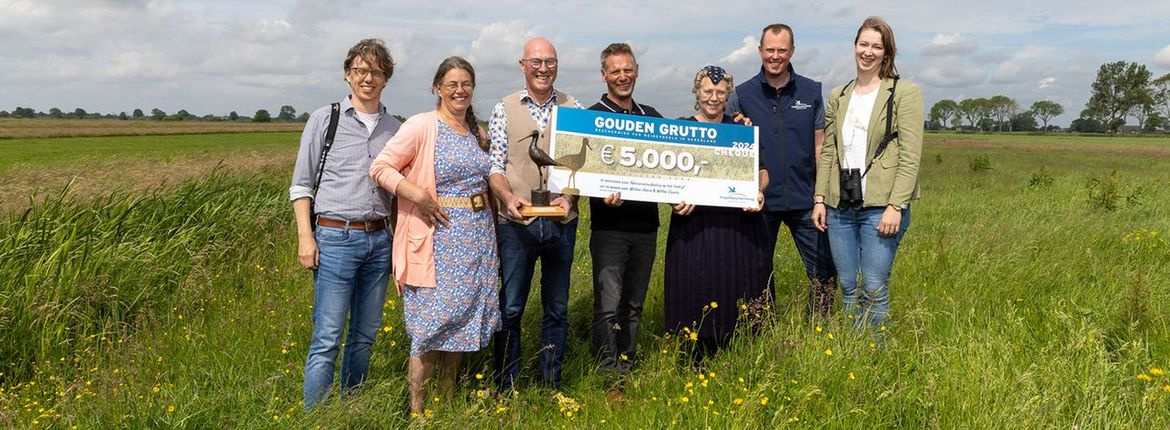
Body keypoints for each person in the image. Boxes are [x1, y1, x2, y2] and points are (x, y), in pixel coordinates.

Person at [370, 56, 499, 414]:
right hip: (435, 241)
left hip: (476, 240)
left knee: (459, 320)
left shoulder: (477, 132)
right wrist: (418, 195)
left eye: (466, 84)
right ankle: (417, 410)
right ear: (437, 88)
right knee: (429, 327)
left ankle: (447, 399)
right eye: (452, 84)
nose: (459, 90)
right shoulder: (421, 125)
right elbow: (380, 167)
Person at [289, 38, 401, 409]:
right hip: (335, 237)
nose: (368, 78)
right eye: (360, 70)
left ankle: (349, 406)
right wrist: (307, 238)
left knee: (365, 335)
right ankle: (316, 415)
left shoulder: (395, 128)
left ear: (386, 78)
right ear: (347, 75)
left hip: (379, 240)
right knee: (327, 337)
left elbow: (400, 192)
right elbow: (302, 183)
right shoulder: (327, 118)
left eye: (376, 71)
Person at [811, 17, 923, 336]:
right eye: (864, 44)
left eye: (877, 46)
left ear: (887, 53)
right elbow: (829, 152)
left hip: (880, 206)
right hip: (840, 205)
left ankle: (876, 353)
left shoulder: (904, 92)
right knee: (847, 285)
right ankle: (852, 349)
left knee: (873, 286)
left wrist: (896, 206)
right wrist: (820, 198)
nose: (868, 52)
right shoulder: (839, 95)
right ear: (854, 47)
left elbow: (910, 154)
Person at [487, 37, 583, 393]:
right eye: (536, 62)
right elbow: (495, 166)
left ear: (557, 65)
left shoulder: (575, 106)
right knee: (510, 308)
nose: (544, 68)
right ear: (522, 65)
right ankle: (507, 386)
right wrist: (508, 197)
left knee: (556, 309)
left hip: (561, 224)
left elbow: (580, 167)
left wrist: (569, 199)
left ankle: (550, 383)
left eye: (550, 62)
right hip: (516, 226)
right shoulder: (504, 108)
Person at [664, 66, 771, 366]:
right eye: (708, 91)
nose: (714, 97)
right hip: (694, 227)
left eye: (720, 92)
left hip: (737, 226)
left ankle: (739, 353)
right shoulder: (681, 129)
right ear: (697, 92)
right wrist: (672, 200)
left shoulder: (741, 130)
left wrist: (758, 191)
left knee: (737, 285)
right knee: (695, 287)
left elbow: (762, 172)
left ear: (728, 95)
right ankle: (694, 356)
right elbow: (665, 179)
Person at [730, 23, 836, 319]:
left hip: (806, 201)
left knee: (824, 271)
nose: (775, 56)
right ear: (759, 51)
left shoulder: (811, 91)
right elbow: (724, 139)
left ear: (791, 52)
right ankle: (760, 328)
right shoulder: (742, 94)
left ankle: (820, 328)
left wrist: (821, 196)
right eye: (769, 50)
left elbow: (820, 148)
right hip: (761, 202)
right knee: (756, 270)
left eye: (781, 50)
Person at [587, 42, 663, 376]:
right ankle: (606, 369)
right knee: (608, 304)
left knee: (633, 303)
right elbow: (580, 172)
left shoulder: (653, 117)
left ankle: (627, 362)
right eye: (615, 71)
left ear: (636, 72)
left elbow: (672, 167)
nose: (623, 77)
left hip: (646, 227)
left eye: (628, 69)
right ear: (604, 75)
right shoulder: (591, 117)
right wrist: (598, 192)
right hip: (609, 228)